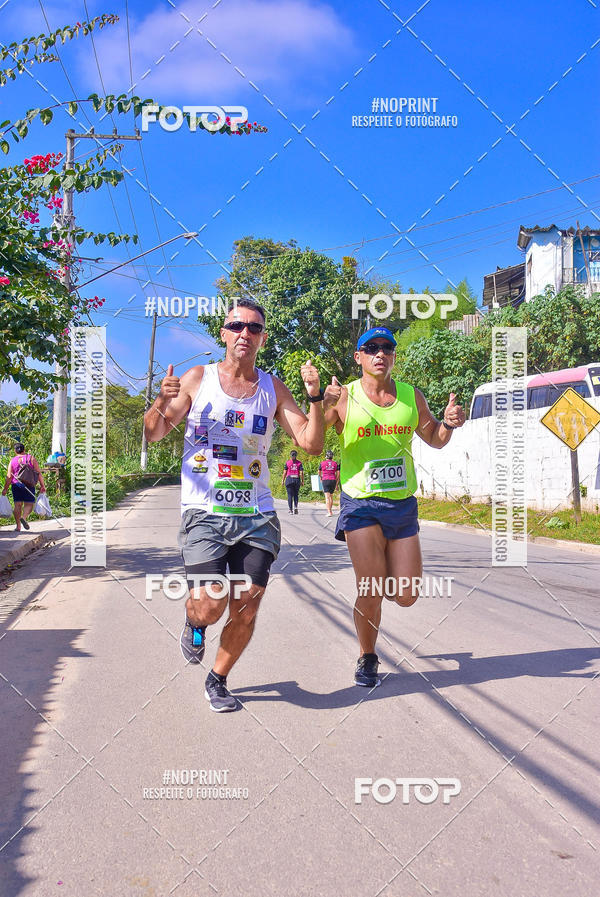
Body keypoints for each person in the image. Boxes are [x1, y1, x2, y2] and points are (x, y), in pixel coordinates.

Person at [143, 298, 334, 712]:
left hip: (257, 516)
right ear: (224, 333)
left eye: (254, 328)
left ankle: (219, 679)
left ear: (262, 338)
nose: (245, 334)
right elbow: (155, 433)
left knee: (245, 609)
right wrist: (160, 400)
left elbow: (312, 443)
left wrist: (316, 398)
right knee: (211, 604)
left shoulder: (272, 388)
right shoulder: (197, 379)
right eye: (238, 326)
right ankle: (194, 623)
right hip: (204, 513)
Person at [324, 326, 465, 688]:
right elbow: (314, 434)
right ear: (359, 357)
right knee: (370, 588)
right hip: (361, 503)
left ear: (394, 356)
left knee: (405, 594)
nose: (379, 353)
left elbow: (434, 437)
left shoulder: (410, 396)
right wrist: (322, 402)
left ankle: (382, 577)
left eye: (387, 347)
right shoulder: (346, 397)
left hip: (402, 504)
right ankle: (367, 656)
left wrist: (448, 424)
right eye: (371, 348)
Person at [2, 443, 46, 532]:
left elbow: (9, 476)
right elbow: (38, 473)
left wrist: (5, 489)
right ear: (24, 450)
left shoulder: (13, 461)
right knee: (29, 504)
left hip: (16, 485)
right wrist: (42, 485)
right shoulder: (31, 458)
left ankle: (18, 526)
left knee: (17, 505)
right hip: (29, 484)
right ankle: (24, 517)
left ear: (15, 451)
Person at [281, 450, 304, 514]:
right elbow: (301, 473)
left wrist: (282, 480)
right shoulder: (299, 463)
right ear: (296, 455)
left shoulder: (288, 462)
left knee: (290, 495)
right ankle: (296, 507)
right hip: (297, 479)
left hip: (289, 479)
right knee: (296, 494)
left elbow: (285, 472)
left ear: (290, 455)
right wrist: (302, 481)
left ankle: (290, 510)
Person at [318, 450, 340, 516]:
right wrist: (336, 482)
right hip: (333, 480)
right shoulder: (335, 463)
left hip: (325, 480)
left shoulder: (322, 463)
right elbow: (338, 474)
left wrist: (321, 477)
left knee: (327, 497)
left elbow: (319, 472)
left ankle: (329, 512)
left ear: (326, 456)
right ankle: (330, 511)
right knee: (331, 496)